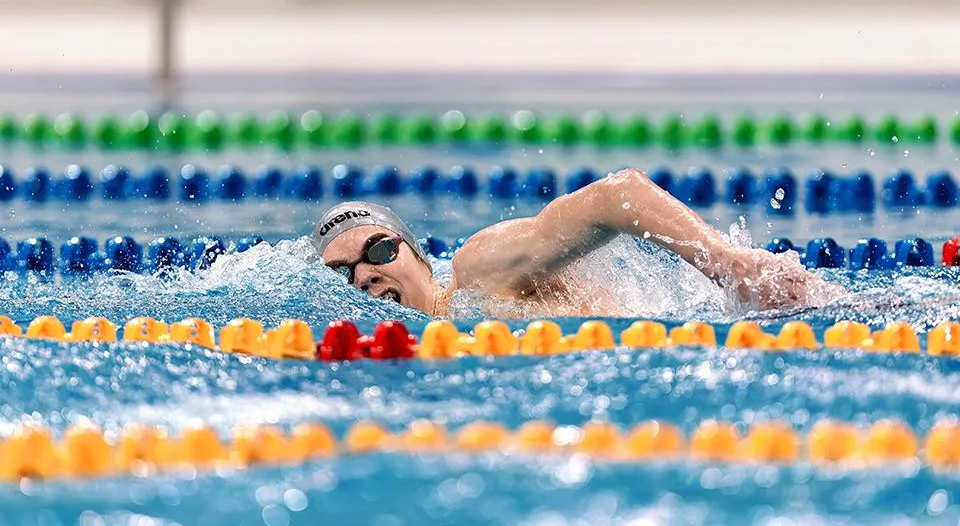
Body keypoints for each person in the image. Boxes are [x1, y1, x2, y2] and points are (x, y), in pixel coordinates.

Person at [312, 168, 841, 316]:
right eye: (343, 273)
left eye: (379, 250)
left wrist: (726, 263)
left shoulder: (480, 270)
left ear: (419, 257)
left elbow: (619, 195)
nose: (364, 275)